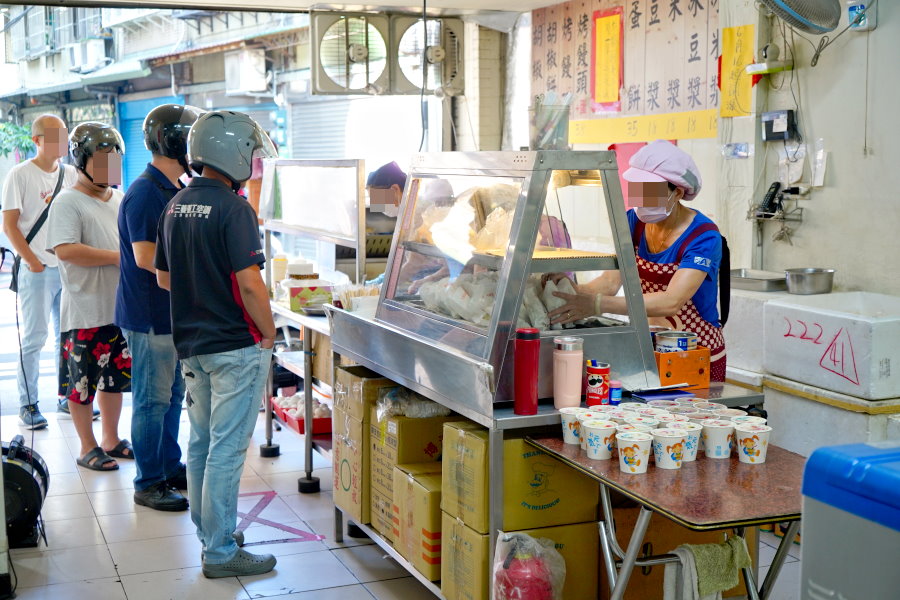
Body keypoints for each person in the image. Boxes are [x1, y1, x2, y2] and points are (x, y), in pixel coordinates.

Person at [155, 110, 278, 578]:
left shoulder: (175, 204)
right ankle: (223, 552)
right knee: (227, 448)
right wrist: (267, 333)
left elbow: (165, 278)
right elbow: (250, 284)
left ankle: (211, 531)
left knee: (203, 442)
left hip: (192, 346)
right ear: (234, 154)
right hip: (234, 345)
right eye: (251, 152)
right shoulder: (234, 208)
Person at [549, 140, 726, 381]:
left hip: (696, 355)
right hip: (649, 347)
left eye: (650, 190)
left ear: (678, 192)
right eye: (637, 188)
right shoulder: (633, 222)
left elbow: (670, 302)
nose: (641, 198)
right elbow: (610, 282)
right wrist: (574, 293)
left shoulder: (703, 237)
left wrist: (597, 304)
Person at [116, 104, 203, 511]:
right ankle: (148, 480)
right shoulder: (147, 192)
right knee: (152, 400)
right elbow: (145, 257)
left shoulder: (172, 188)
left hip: (170, 314)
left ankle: (169, 465)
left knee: (171, 396)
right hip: (151, 316)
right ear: (178, 142)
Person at [46, 122, 133, 471]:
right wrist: (117, 257)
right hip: (84, 310)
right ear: (81, 160)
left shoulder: (120, 198)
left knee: (115, 381)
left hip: (120, 309)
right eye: (102, 160)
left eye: (114, 159)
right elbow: (65, 250)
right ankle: (87, 446)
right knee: (81, 384)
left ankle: (110, 440)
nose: (110, 167)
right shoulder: (68, 201)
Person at [2, 114, 80, 429]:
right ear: (37, 141)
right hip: (35, 270)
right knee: (34, 338)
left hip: (68, 270)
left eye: (64, 134)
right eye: (56, 135)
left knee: (68, 337)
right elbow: (9, 225)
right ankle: (28, 403)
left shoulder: (73, 174)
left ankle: (66, 398)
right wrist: (32, 261)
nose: (63, 141)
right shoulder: (19, 175)